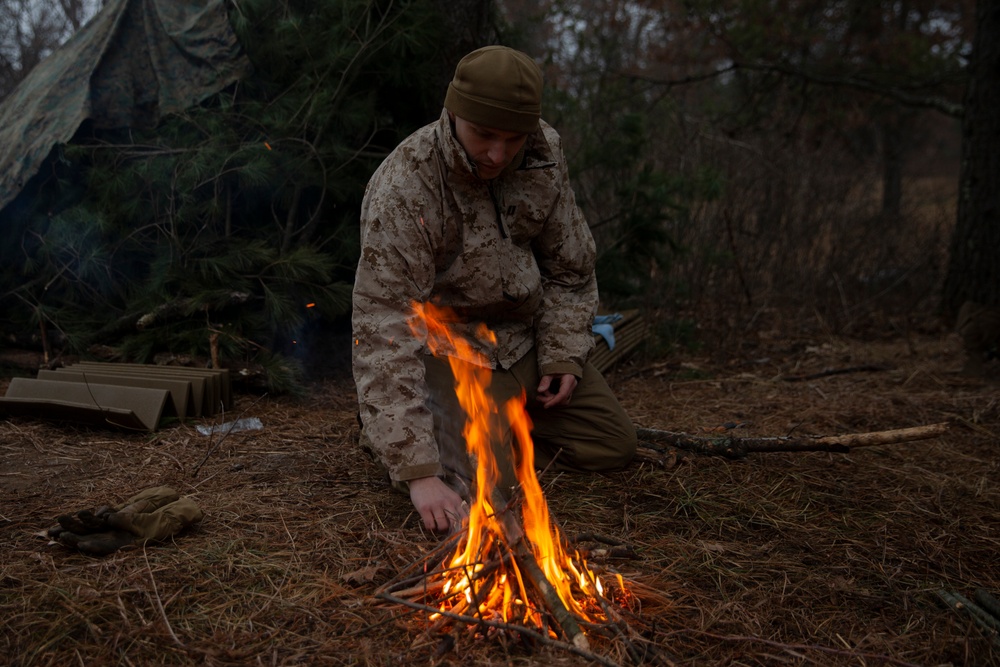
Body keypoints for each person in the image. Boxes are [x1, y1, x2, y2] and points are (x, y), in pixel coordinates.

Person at [352, 45, 636, 533]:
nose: (498, 155)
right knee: (492, 494)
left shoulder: (543, 156)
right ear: (454, 112)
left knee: (612, 445)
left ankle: (499, 426)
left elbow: (571, 269)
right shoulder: (406, 185)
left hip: (521, 339)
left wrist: (563, 356)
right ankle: (399, 431)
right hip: (448, 351)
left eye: (513, 138)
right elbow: (383, 324)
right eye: (484, 134)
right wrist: (418, 471)